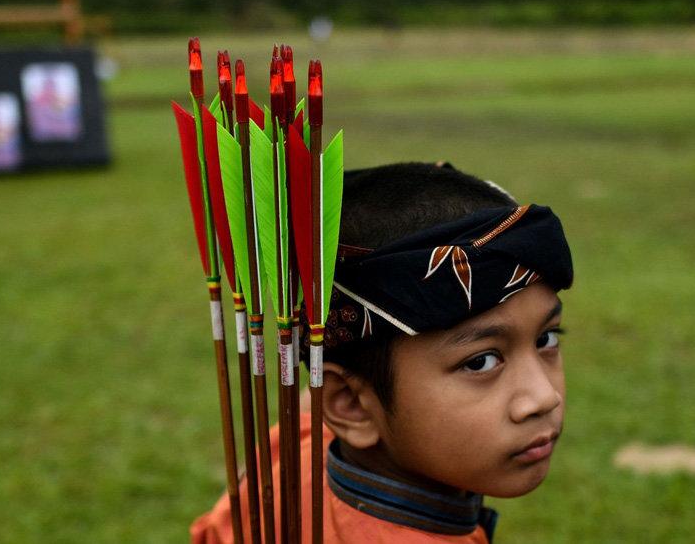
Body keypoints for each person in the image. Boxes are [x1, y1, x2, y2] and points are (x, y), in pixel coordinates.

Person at [191, 161, 573, 543]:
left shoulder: (294, 449)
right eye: (480, 361)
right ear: (352, 406)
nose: (543, 397)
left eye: (546, 339)